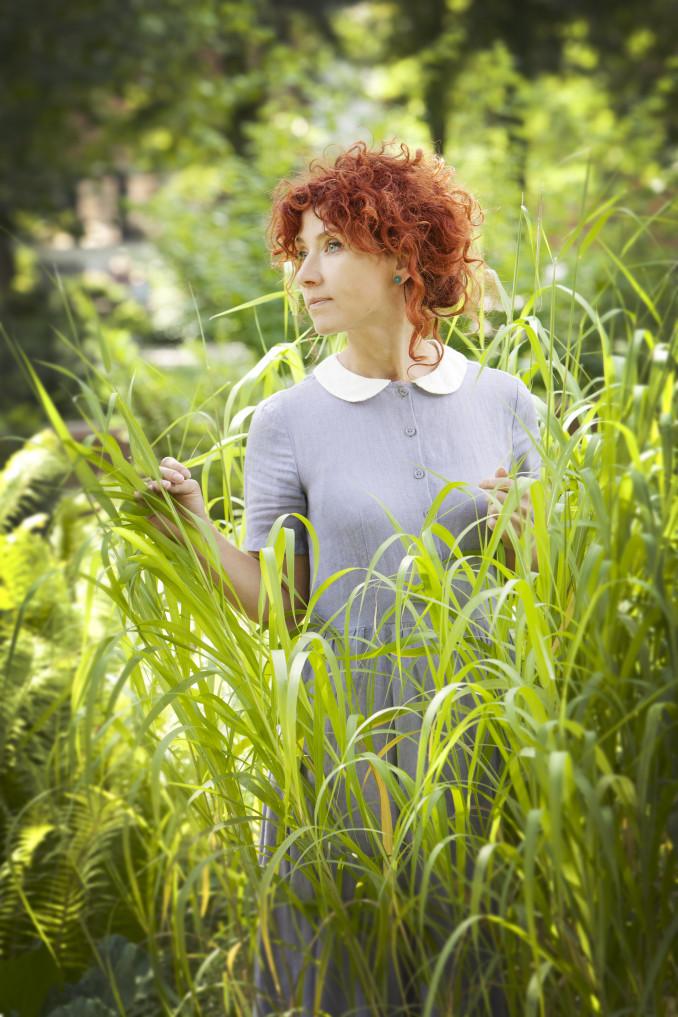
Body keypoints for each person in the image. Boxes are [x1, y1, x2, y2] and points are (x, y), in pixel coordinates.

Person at [143, 140, 541, 1015]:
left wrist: (528, 542)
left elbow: (546, 598)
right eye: (302, 253)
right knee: (344, 979)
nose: (308, 275)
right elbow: (281, 610)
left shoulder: (509, 403)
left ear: (402, 254)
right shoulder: (284, 421)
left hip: (476, 738)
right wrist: (195, 530)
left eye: (334, 247)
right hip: (341, 743)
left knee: (476, 974)